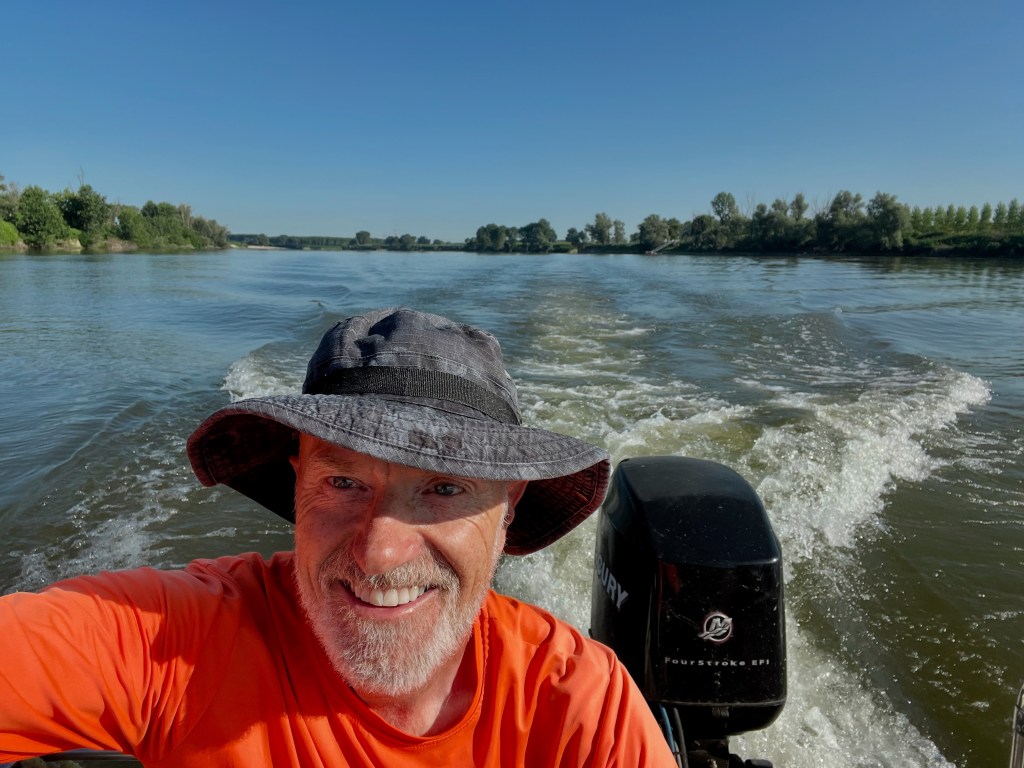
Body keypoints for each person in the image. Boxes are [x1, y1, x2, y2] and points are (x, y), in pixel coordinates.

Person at [0, 307, 676, 766]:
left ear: (509, 507)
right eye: (344, 482)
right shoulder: (176, 642)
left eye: (445, 489)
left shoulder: (579, 708)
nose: (379, 551)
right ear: (297, 481)